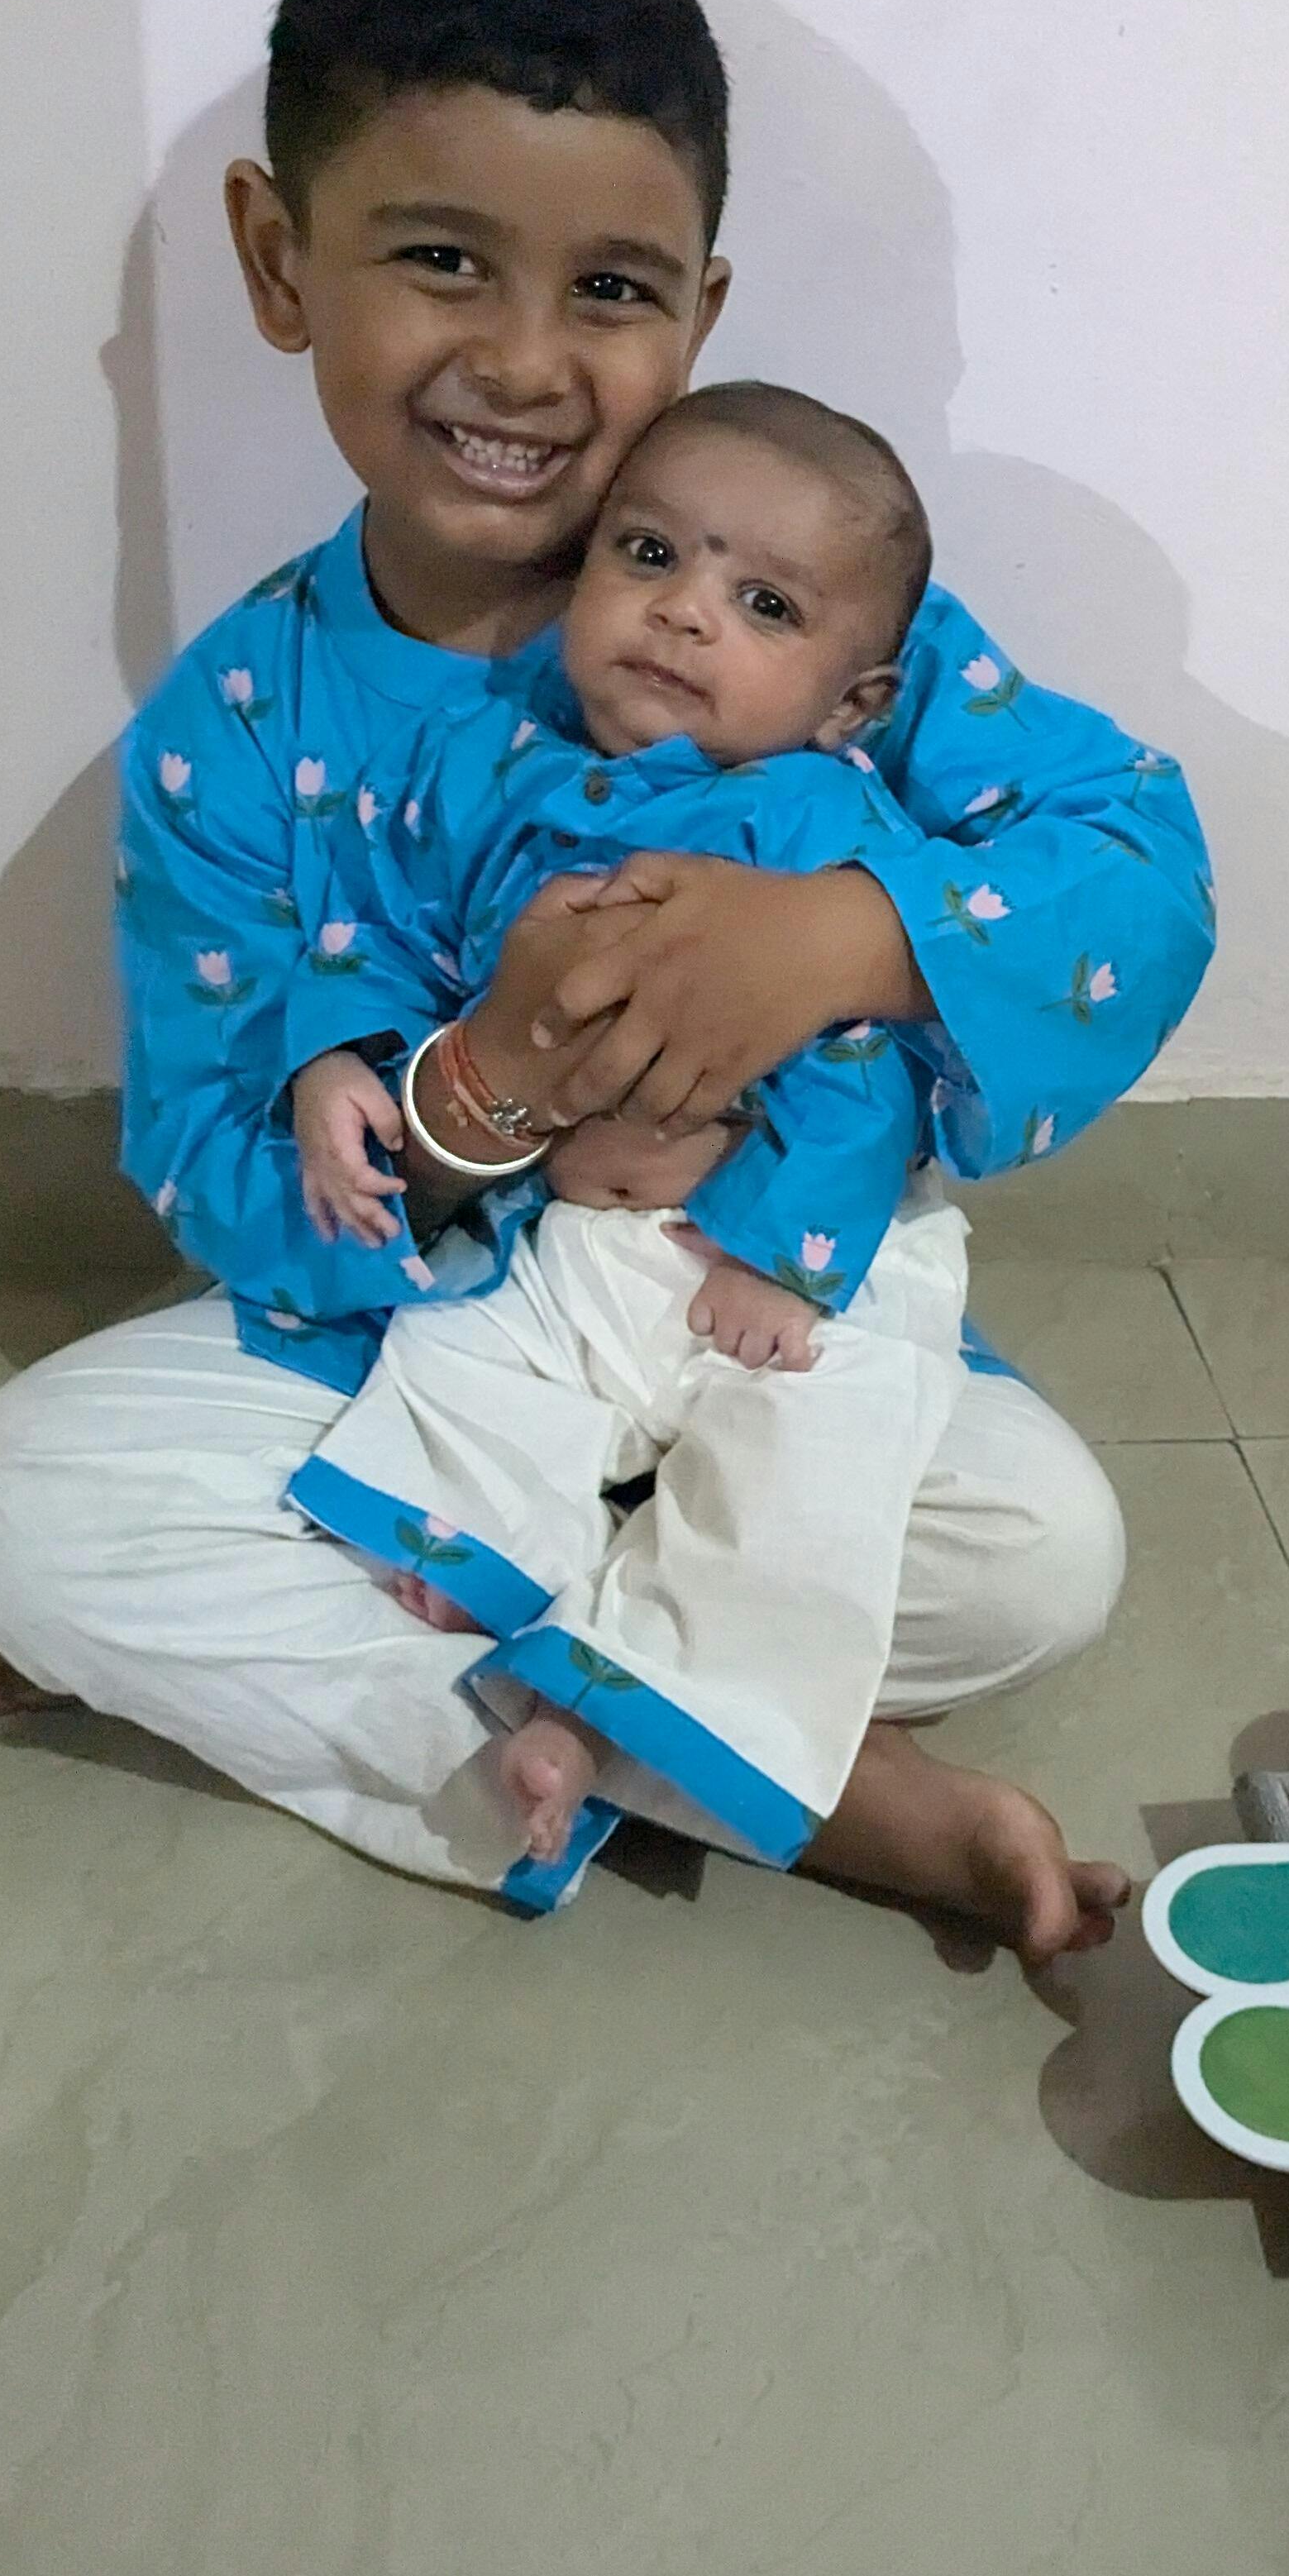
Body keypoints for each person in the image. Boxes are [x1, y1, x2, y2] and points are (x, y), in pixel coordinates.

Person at [0, 0, 1214, 1957]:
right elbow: (216, 1174)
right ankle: (793, 1774)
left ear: (698, 313)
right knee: (13, 1509)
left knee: (1044, 1549)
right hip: (430, 1352)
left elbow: (1136, 861)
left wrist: (836, 942)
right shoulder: (236, 729)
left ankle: (492, 1680)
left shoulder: (809, 613)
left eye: (609, 288)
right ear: (280, 259)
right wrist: (479, 1090)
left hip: (749, 1325)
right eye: (443, 258)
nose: (525, 362)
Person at [289, 380, 1005, 1887]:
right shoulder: (494, 770)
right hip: (575, 1244)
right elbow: (399, 938)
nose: (685, 613)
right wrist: (333, 1059)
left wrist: (781, 1261)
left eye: (763, 604)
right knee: (457, 1361)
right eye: (651, 556)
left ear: (851, 704)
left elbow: (866, 1073)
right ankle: (519, 1600)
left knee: (809, 1464)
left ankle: (609, 1713)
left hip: (787, 1262)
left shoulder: (815, 826)